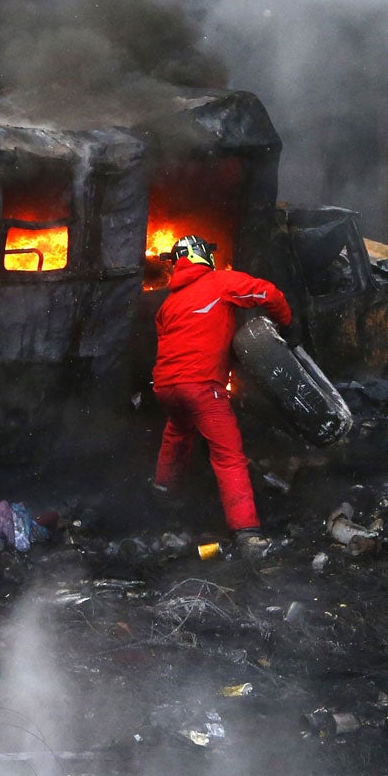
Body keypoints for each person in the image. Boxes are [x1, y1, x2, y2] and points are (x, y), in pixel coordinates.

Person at [151, 234, 292, 558]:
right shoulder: (219, 282)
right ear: (204, 257)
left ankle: (162, 498)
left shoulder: (168, 304)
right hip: (201, 386)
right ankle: (247, 533)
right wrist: (287, 323)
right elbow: (267, 292)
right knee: (228, 455)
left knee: (177, 433)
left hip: (166, 388)